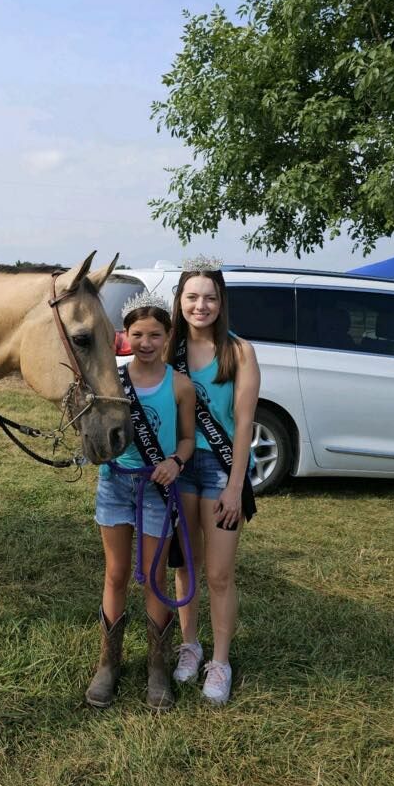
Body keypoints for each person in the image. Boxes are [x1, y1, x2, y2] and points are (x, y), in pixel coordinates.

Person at [86, 292, 196, 712]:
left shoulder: (180, 385)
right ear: (124, 336)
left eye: (155, 334)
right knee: (114, 574)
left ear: (168, 336)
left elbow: (187, 439)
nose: (146, 342)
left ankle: (157, 666)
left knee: (154, 577)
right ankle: (108, 663)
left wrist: (176, 461)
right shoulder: (112, 379)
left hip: (157, 488)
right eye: (137, 334)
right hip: (116, 484)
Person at [168, 257, 260, 706]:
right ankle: (190, 645)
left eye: (209, 297)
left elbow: (244, 424)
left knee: (220, 573)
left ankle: (219, 661)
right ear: (179, 301)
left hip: (222, 471)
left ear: (221, 302)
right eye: (192, 297)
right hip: (181, 469)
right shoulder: (168, 348)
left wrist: (235, 487)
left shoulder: (240, 352)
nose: (200, 305)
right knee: (186, 564)